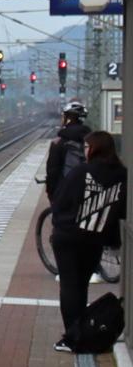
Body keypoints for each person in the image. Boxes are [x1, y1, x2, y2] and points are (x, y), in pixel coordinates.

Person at [51, 130, 125, 353]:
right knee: (81, 285)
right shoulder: (122, 175)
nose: (84, 151)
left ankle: (73, 337)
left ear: (94, 149)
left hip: (69, 237)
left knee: (70, 286)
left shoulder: (81, 172)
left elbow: (59, 202)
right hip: (94, 239)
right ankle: (80, 332)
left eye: (86, 147)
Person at [44, 101, 90, 194]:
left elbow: (52, 171)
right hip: (86, 189)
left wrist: (51, 192)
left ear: (67, 119)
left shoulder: (58, 142)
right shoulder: (91, 139)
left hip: (64, 191)